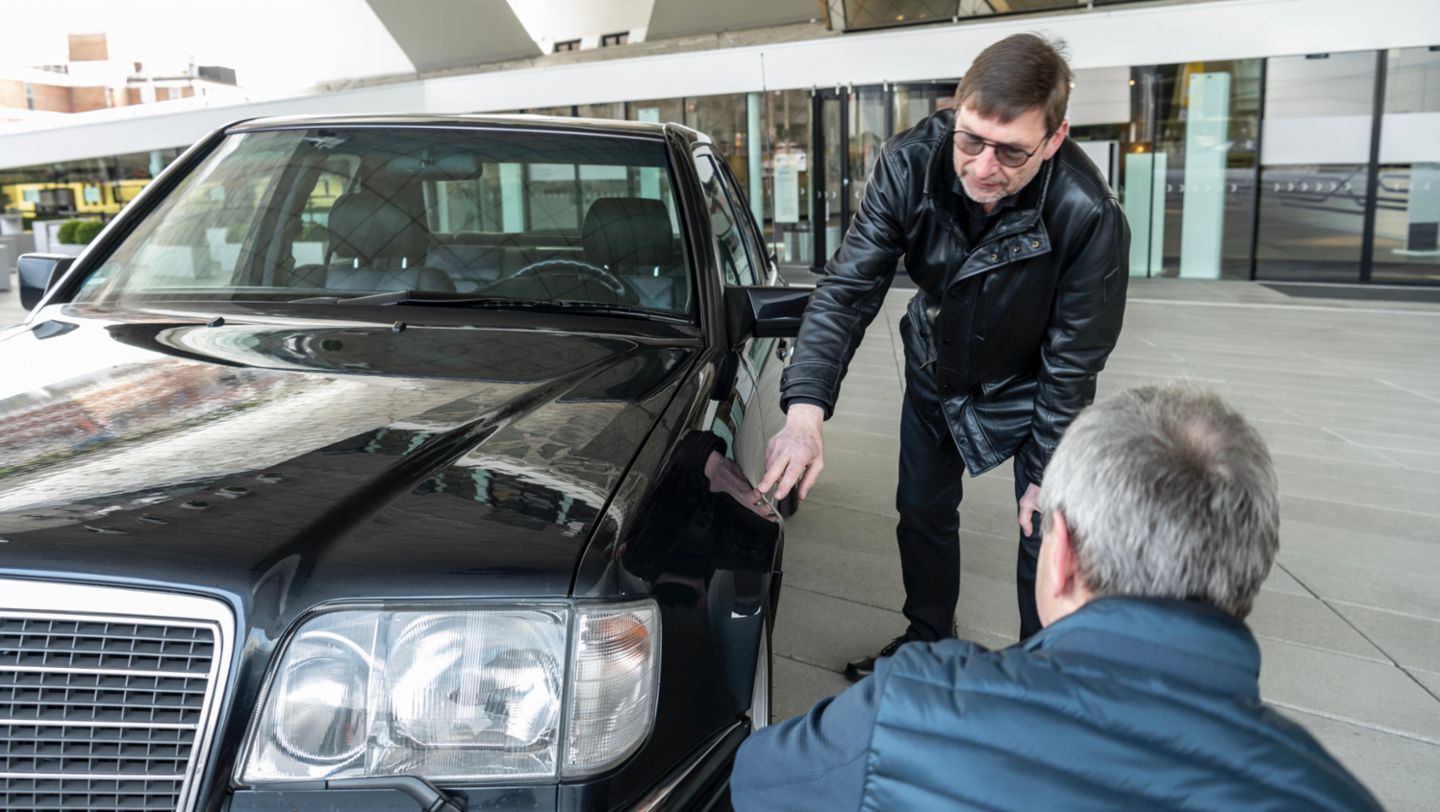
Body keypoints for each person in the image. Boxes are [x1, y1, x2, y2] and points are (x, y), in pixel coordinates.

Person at [732, 384, 1384, 811]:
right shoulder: (1333, 796)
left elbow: (754, 783)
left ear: (1062, 551)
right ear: (1250, 566)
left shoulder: (910, 709)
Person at [759, 33, 1129, 678]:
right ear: (955, 113)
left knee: (1044, 525)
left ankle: (1038, 672)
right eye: (970, 139)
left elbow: (1075, 360)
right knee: (922, 512)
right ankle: (927, 637)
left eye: (1012, 151)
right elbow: (847, 292)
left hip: (1034, 380)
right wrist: (804, 411)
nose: (984, 166)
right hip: (939, 360)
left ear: (1056, 137)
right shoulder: (909, 163)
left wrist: (1046, 469)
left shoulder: (1088, 212)